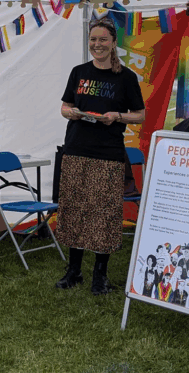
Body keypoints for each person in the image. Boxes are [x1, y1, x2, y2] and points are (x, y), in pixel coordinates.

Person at [55, 18, 145, 295]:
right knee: (74, 211)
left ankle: (100, 275)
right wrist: (70, 112)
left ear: (113, 42)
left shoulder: (126, 77)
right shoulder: (79, 72)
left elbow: (140, 115)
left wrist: (117, 116)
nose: (97, 45)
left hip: (108, 155)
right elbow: (65, 106)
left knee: (103, 215)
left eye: (103, 39)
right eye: (93, 39)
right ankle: (74, 271)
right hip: (76, 150)